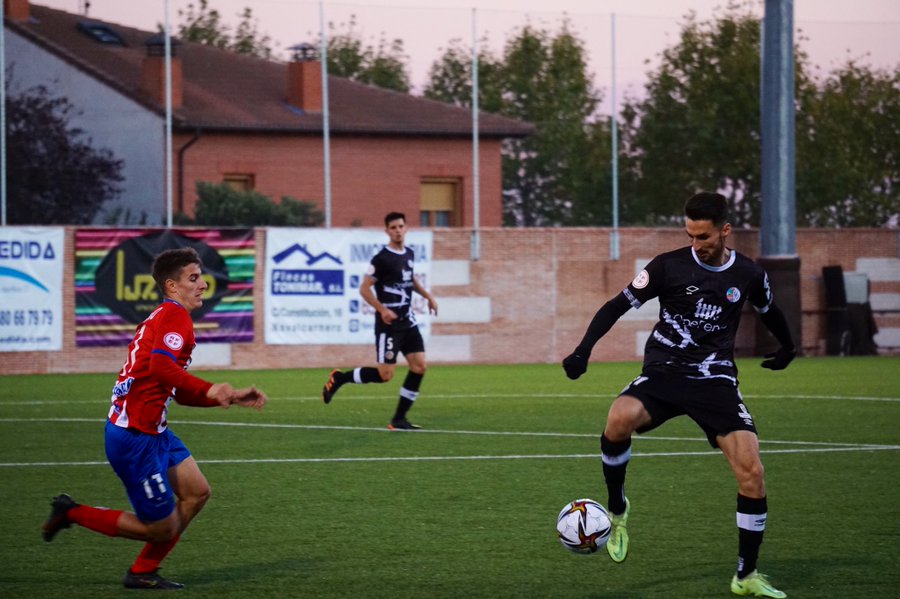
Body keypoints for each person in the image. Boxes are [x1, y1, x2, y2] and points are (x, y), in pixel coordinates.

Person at [562, 192, 796, 599]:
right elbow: (615, 306)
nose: (696, 242)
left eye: (703, 236)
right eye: (689, 234)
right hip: (665, 372)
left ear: (725, 230)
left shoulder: (747, 274)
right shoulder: (667, 266)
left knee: (752, 474)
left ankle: (746, 575)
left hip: (715, 380)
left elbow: (769, 309)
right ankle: (617, 507)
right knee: (618, 419)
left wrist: (789, 347)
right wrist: (584, 350)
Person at [42, 247, 268, 590]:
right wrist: (211, 388)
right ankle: (71, 512)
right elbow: (160, 367)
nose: (203, 285)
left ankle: (143, 571)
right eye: (193, 278)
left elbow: (173, 388)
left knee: (197, 493)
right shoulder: (174, 316)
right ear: (172, 286)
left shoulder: (165, 317)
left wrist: (229, 397)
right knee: (161, 528)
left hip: (153, 430)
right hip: (135, 438)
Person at [322, 211, 438, 430]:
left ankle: (399, 419)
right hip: (389, 325)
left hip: (408, 321)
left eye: (401, 226)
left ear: (406, 228)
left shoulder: (409, 254)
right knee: (385, 375)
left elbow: (410, 279)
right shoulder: (381, 259)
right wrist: (382, 309)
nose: (397, 231)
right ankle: (340, 378)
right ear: (387, 231)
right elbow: (364, 289)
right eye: (393, 228)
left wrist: (428, 296)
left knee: (420, 366)